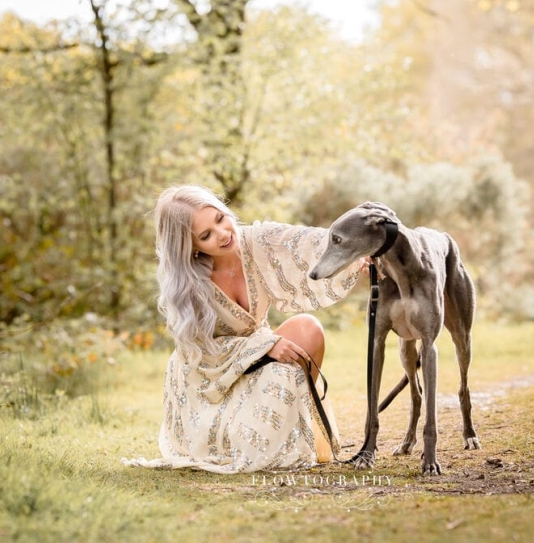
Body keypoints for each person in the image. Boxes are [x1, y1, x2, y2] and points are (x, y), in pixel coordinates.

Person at [123, 184, 364, 474]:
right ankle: (243, 434)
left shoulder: (257, 241)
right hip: (210, 383)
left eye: (220, 219)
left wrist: (358, 255)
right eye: (206, 235)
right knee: (274, 375)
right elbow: (200, 356)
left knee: (307, 328)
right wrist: (264, 346)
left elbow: (310, 243)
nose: (223, 234)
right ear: (191, 246)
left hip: (258, 357)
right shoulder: (189, 287)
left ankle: (294, 428)